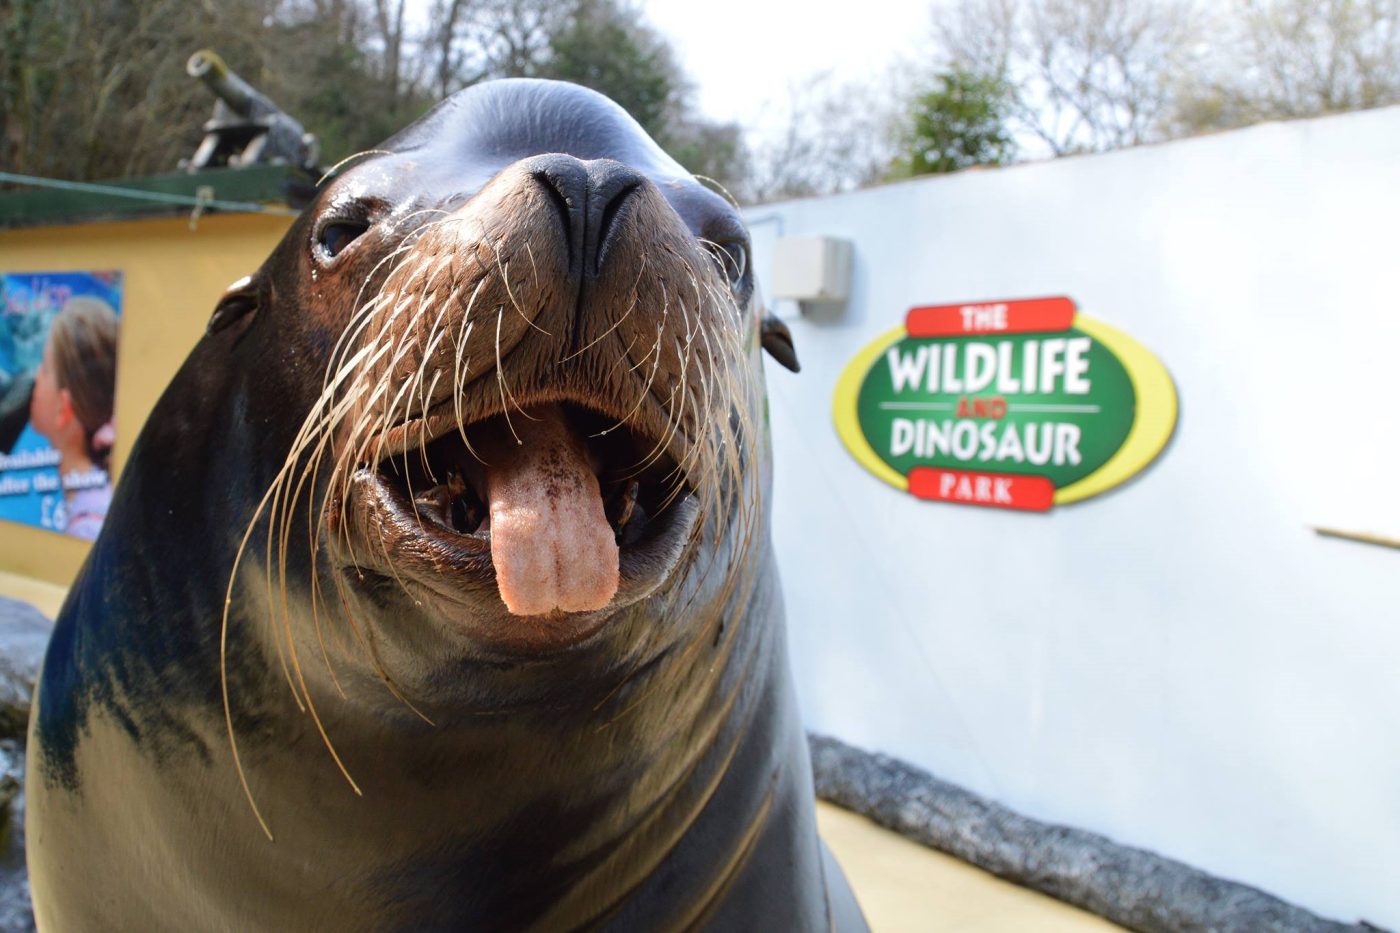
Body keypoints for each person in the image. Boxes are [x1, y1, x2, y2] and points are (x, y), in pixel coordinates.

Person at [28, 296, 119, 540]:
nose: (35, 377)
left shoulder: (86, 528)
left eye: (45, 368)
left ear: (64, 410)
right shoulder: (98, 494)